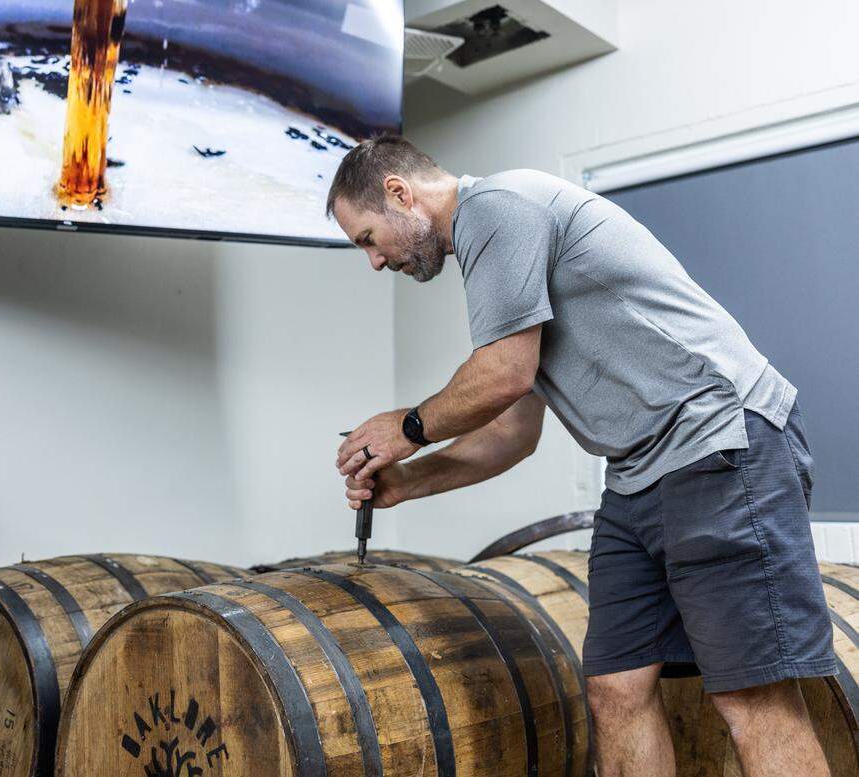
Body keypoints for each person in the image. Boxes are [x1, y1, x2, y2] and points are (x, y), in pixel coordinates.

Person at [330, 135, 831, 776]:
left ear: (400, 193)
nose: (375, 261)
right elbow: (511, 433)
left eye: (368, 239)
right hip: (637, 476)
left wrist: (409, 426)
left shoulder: (500, 207)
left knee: (751, 696)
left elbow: (503, 374)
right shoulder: (498, 254)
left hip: (719, 444)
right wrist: (408, 482)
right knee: (615, 690)